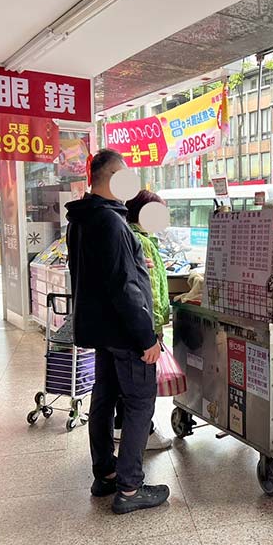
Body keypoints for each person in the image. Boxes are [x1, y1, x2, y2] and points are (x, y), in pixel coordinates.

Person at [65, 149, 169, 515]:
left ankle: (105, 473)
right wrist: (146, 338)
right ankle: (129, 488)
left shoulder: (80, 219)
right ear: (109, 177)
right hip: (124, 332)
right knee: (140, 402)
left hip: (100, 330)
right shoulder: (110, 223)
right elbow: (125, 286)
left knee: (104, 398)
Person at [113, 190, 172, 450]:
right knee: (141, 390)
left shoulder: (135, 237)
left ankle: (122, 427)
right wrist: (156, 327)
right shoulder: (142, 241)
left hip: (128, 326)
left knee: (125, 386)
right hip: (144, 324)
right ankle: (142, 437)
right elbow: (152, 291)